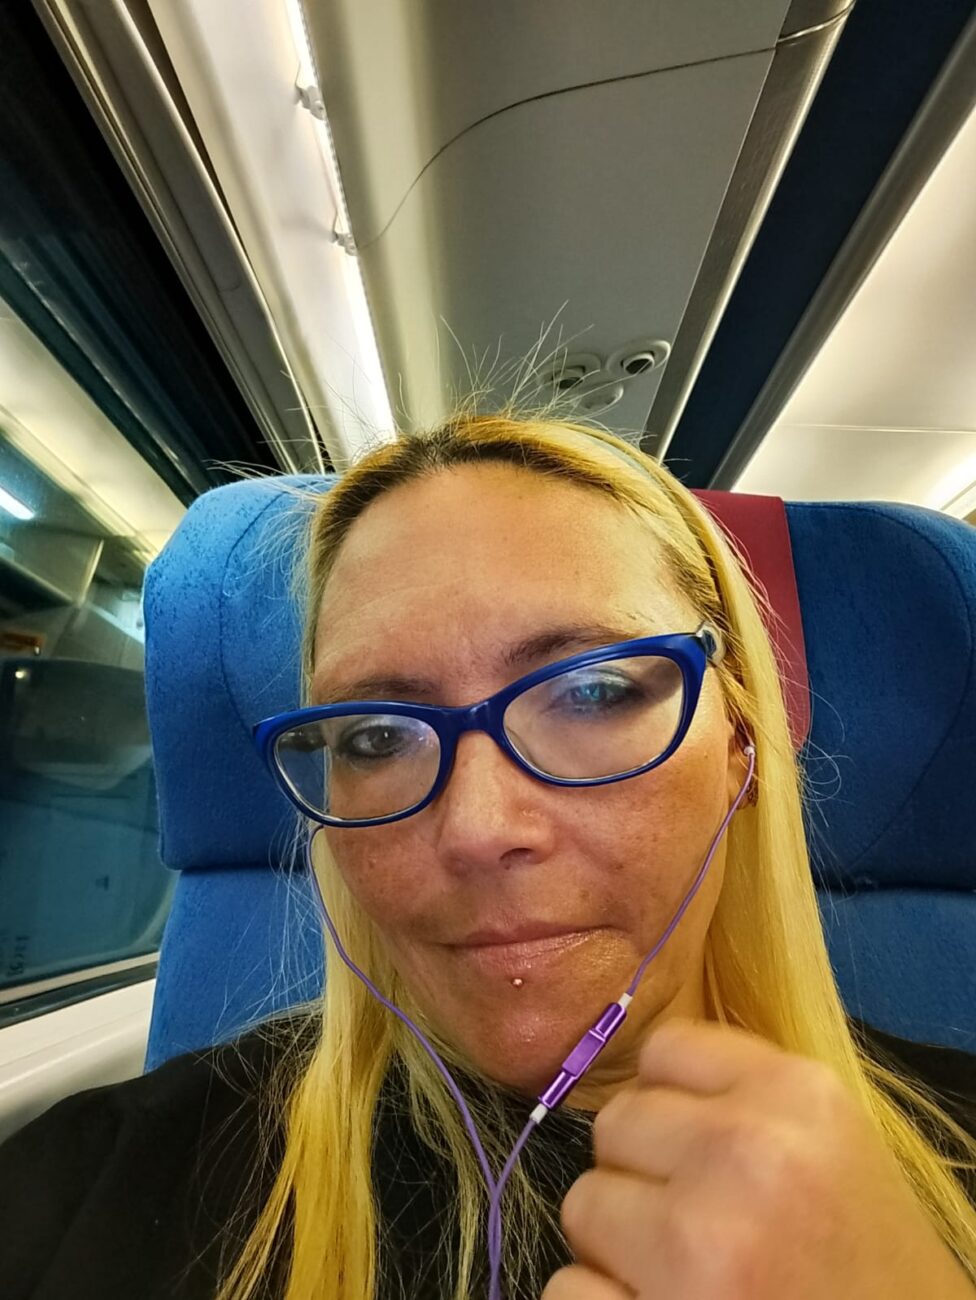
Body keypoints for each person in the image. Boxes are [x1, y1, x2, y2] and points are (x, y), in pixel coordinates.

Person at [1, 412, 975, 1300]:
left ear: (739, 743)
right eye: (378, 736)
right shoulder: (88, 1192)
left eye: (591, 693)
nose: (475, 829)